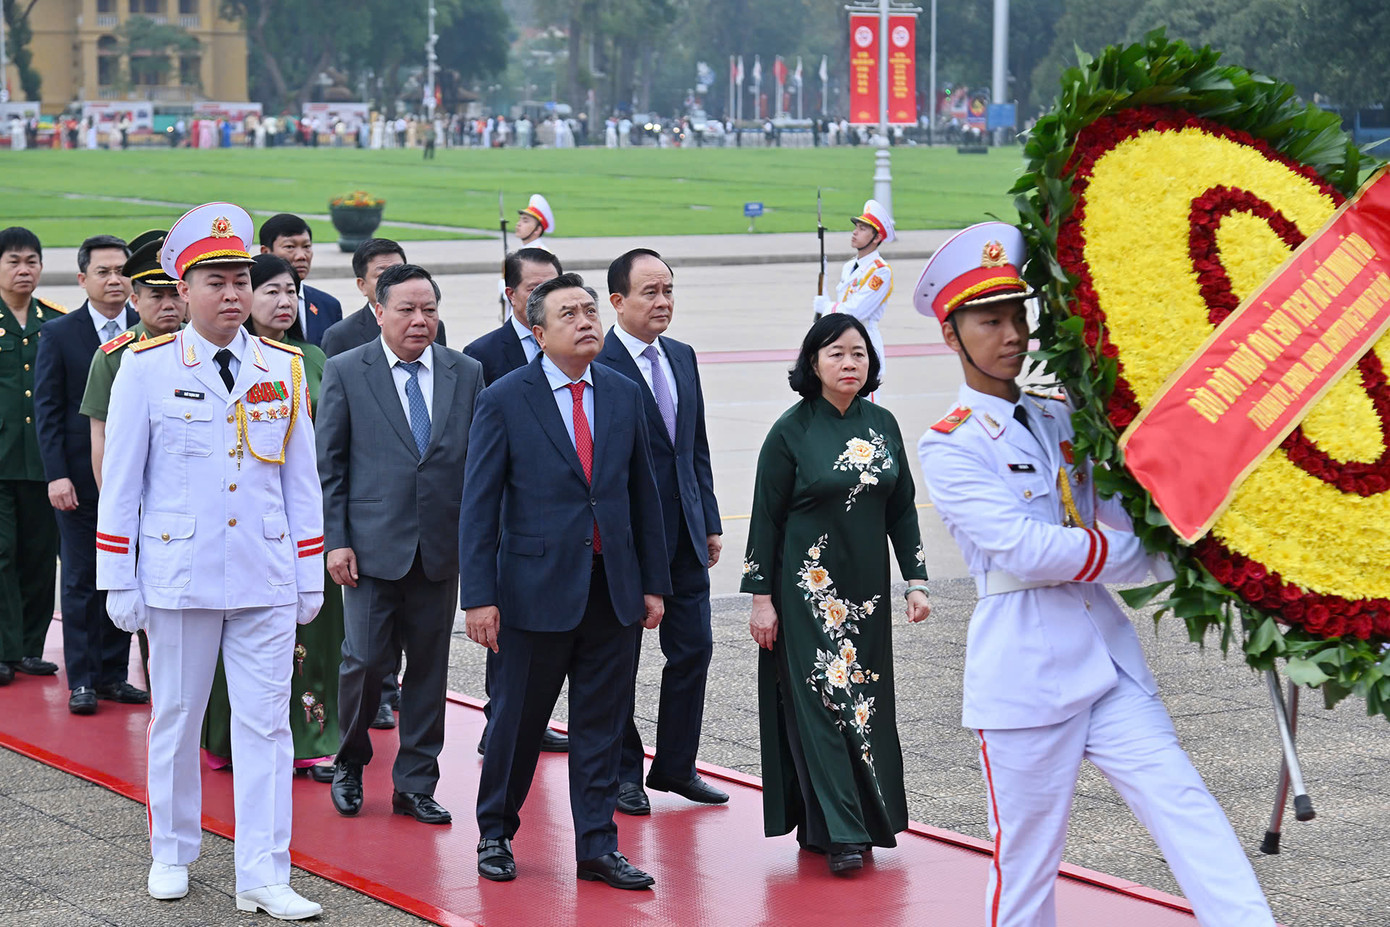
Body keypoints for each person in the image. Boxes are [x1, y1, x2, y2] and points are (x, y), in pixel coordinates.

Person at [913, 222, 1276, 927]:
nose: (1013, 333)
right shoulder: (950, 443)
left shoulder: (1060, 413)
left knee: (1185, 805)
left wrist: (1200, 549)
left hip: (1105, 658)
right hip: (1024, 676)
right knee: (1026, 866)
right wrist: (1118, 550)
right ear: (952, 335)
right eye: (991, 321)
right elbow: (1021, 549)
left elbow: (1126, 521)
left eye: (1019, 315)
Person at [96, 203, 324, 919]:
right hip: (180, 573)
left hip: (262, 572)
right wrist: (118, 576)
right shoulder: (146, 367)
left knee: (267, 725)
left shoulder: (281, 368)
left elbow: (301, 482)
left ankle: (264, 869)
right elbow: (123, 480)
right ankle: (172, 848)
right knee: (177, 717)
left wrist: (307, 575)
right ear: (184, 288)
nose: (232, 294)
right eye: (216, 280)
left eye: (240, 280)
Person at [461, 273, 670, 889]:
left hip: (613, 590)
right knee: (517, 724)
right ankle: (495, 832)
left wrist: (652, 584)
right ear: (538, 331)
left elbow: (643, 495)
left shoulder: (623, 394)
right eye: (569, 314)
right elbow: (479, 505)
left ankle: (597, 847)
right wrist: (480, 597)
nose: (586, 321)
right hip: (532, 593)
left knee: (602, 726)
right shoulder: (504, 398)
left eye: (589, 310)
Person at [740, 313, 931, 874]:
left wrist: (915, 580)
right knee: (822, 708)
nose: (850, 364)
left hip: (866, 597)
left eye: (859, 354)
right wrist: (760, 598)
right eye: (836, 354)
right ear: (813, 364)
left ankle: (839, 824)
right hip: (806, 595)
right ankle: (845, 833)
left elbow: (902, 508)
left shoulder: (884, 423)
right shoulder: (791, 431)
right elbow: (765, 521)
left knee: (866, 708)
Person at [318, 264, 484, 826]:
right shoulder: (346, 370)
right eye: (408, 310)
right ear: (381, 312)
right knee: (363, 663)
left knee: (430, 670)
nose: (420, 320)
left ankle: (416, 782)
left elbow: (479, 466)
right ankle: (350, 761)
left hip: (440, 549)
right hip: (368, 549)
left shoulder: (466, 372)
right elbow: (331, 466)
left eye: (429, 310)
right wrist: (335, 540)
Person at [200, 253, 343, 782]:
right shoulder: (229, 360)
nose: (284, 302)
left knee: (315, 635)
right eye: (271, 291)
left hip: (304, 519)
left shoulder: (312, 358)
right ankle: (225, 737)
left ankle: (311, 737)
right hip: (239, 523)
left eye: (291, 292)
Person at [595, 249, 726, 816]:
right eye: (649, 292)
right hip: (624, 542)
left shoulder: (681, 355)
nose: (663, 302)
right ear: (618, 301)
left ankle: (676, 765)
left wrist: (711, 520)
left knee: (693, 649)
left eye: (668, 290)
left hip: (685, 536)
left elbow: (693, 446)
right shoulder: (595, 363)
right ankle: (624, 772)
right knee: (618, 660)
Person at [33, 234, 148, 714]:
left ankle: (113, 674)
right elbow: (48, 411)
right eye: (103, 271)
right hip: (79, 482)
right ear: (83, 279)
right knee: (82, 578)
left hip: (134, 482)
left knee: (126, 575)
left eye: (122, 270)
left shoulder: (150, 330)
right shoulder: (60, 334)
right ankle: (82, 678)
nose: (115, 279)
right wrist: (57, 476)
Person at [463, 246, 569, 756]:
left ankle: (534, 716)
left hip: (563, 519)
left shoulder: (575, 348)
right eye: (534, 289)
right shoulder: (483, 355)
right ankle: (499, 719)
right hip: (510, 518)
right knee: (505, 632)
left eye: (556, 285)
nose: (546, 296)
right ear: (511, 295)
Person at [0, 227, 64, 687]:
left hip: (42, 464)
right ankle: (4, 648)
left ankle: (29, 648)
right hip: (1, 461)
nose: (25, 270)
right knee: (2, 554)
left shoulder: (54, 322)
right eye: (14, 261)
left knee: (40, 557)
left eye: (31, 261)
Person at [80, 231, 188, 484]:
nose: (169, 305)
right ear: (136, 302)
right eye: (157, 297)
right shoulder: (114, 356)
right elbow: (101, 436)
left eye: (175, 295)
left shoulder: (202, 346)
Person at [813, 199, 894, 400]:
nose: (855, 232)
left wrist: (827, 308)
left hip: (865, 342)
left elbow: (857, 311)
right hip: (843, 339)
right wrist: (825, 297)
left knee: (866, 405)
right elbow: (844, 303)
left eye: (863, 229)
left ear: (876, 237)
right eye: (856, 227)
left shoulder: (880, 272)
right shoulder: (850, 266)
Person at [321, 238, 448, 361]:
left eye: (399, 274)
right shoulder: (340, 335)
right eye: (382, 276)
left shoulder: (433, 326)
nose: (392, 283)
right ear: (362, 285)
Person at [258, 213, 342, 347]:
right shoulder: (249, 302)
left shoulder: (329, 306)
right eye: (290, 247)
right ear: (266, 252)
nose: (301, 256)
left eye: (307, 247)